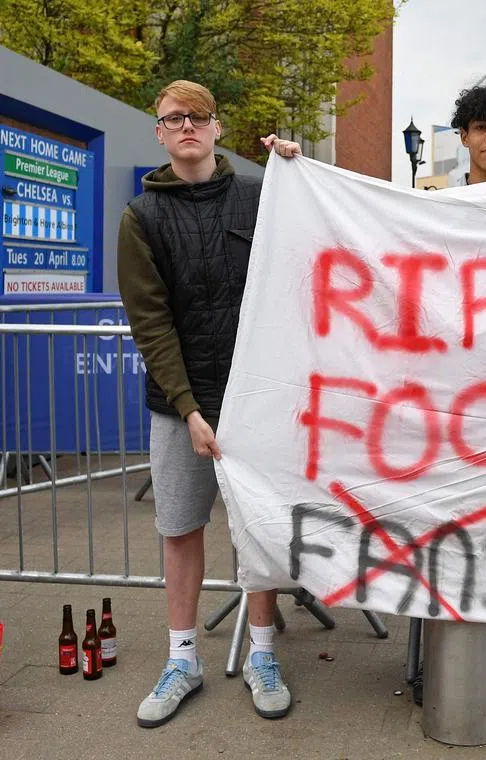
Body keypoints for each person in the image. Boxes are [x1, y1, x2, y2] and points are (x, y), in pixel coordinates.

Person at [119, 80, 293, 728]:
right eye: (174, 118)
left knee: (257, 527)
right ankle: (183, 658)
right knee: (180, 528)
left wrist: (296, 171)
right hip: (178, 405)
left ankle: (265, 653)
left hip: (255, 402)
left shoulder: (261, 197)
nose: (187, 126)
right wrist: (190, 409)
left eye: (199, 116)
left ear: (218, 129)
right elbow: (152, 324)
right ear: (160, 133)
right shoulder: (140, 218)